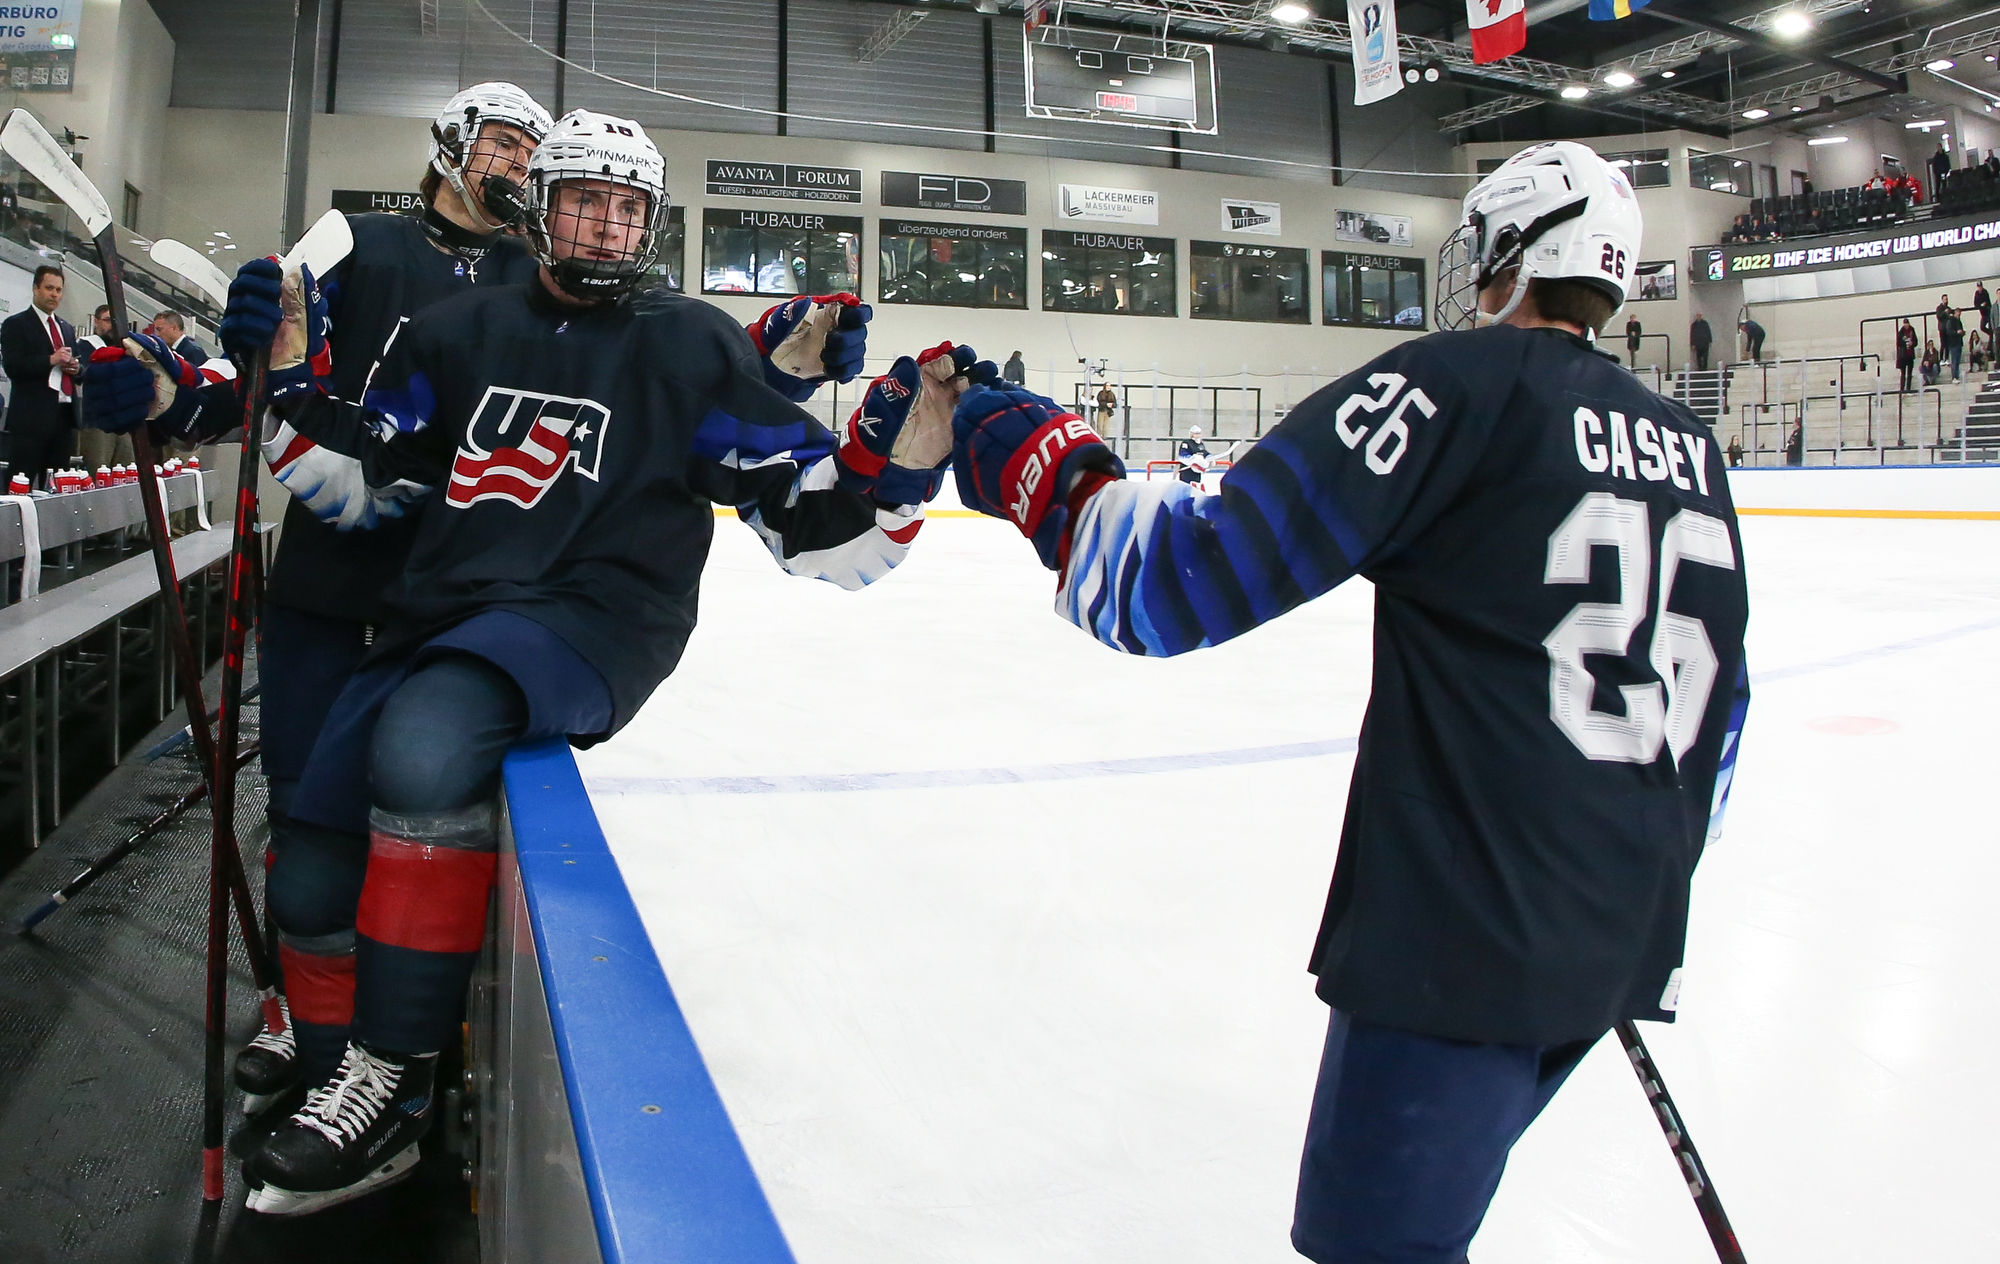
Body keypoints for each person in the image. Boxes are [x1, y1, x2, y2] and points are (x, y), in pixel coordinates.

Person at [95, 109, 958, 1218]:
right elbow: (369, 482)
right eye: (584, 201)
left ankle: (396, 1086)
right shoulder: (457, 330)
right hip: (440, 613)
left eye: (628, 208)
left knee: (426, 741)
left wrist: (905, 465)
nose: (605, 227)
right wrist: (227, 388)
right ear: (540, 208)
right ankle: (326, 1081)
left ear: (649, 223)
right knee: (310, 857)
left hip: (593, 616)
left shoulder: (690, 344)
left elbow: (814, 530)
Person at [950, 139, 1749, 1264]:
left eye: (1481, 250)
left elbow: (1182, 585)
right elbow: (1716, 722)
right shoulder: (1689, 447)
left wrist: (1043, 461)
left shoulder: (1453, 387)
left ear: (1515, 252)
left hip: (1463, 937)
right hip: (1618, 920)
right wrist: (1607, 884)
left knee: (1375, 1247)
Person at [0, 264, 79, 490]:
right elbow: (13, 367)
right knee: (19, 483)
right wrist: (50, 360)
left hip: (63, 418)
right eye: (49, 288)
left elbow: (80, 369)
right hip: (31, 420)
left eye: (59, 290)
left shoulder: (67, 328)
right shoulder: (16, 324)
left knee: (58, 486)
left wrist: (76, 369)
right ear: (35, 289)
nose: (54, 294)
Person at [74, 303, 137, 475]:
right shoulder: (86, 345)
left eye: (116, 321)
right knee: (98, 473)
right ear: (96, 321)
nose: (112, 325)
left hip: (124, 422)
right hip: (98, 422)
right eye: (108, 320)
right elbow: (85, 374)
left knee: (126, 474)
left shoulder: (127, 348)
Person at [1941, 304, 1965, 382]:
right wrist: (1957, 332)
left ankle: (1956, 376)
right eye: (1958, 313)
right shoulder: (1951, 321)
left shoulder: (1959, 321)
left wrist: (1962, 333)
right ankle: (1954, 377)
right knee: (1954, 360)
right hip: (1953, 343)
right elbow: (1949, 332)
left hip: (1958, 343)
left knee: (1957, 361)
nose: (1959, 315)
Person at [1897, 318, 1919, 392]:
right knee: (1903, 373)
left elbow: (1916, 341)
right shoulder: (1901, 332)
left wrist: (1912, 343)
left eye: (1907, 323)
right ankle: (1902, 388)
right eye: (1905, 323)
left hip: (1910, 355)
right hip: (1903, 355)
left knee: (1909, 373)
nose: (1906, 325)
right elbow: (1898, 343)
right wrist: (1904, 343)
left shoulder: (1912, 330)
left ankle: (1908, 388)